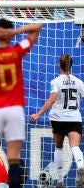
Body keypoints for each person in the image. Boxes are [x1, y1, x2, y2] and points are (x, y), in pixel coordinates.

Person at [0, 18, 42, 188]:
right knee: (14, 159)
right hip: (14, 109)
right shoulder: (17, 51)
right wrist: (15, 32)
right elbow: (38, 27)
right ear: (10, 35)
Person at [30, 54, 84, 187]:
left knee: (58, 147)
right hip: (74, 118)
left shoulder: (55, 81)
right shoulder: (79, 82)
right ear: (71, 66)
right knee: (75, 146)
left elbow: (52, 99)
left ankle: (60, 181)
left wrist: (38, 114)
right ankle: (81, 165)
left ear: (59, 65)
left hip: (58, 119)